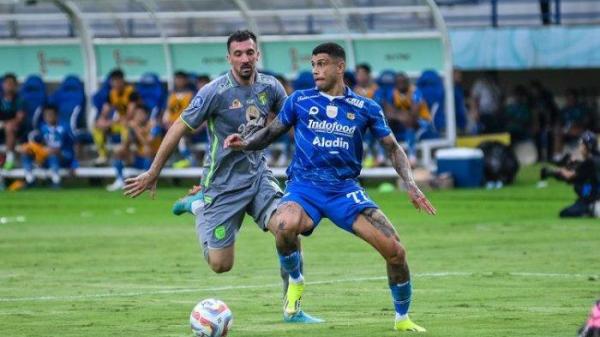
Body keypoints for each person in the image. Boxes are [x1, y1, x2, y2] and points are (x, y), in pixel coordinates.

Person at [224, 42, 436, 331]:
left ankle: (402, 318)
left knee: (395, 251)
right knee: (284, 226)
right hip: (304, 187)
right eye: (313, 64)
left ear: (340, 67)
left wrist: (410, 184)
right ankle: (296, 282)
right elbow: (271, 133)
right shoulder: (299, 100)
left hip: (344, 191)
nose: (316, 70)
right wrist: (245, 143)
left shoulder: (366, 107)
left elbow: (393, 148)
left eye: (322, 63)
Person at [121, 30, 320, 323]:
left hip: (258, 176)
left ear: (257, 55)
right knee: (220, 265)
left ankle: (293, 307)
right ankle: (198, 205)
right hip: (222, 185)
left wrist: (312, 159)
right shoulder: (214, 92)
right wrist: (154, 172)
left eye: (249, 53)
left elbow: (292, 123)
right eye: (238, 54)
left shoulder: (271, 87)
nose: (245, 59)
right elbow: (178, 127)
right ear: (229, 58)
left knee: (286, 227)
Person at [540, 131, 600, 218]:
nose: (580, 147)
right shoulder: (596, 158)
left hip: (591, 199)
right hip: (595, 194)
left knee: (564, 213)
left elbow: (569, 176)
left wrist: (552, 172)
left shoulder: (589, 162)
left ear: (586, 146)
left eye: (581, 144)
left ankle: (591, 209)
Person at [18, 105, 74, 188]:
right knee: (25, 154)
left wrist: (73, 163)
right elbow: (38, 144)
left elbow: (71, 147)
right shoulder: (41, 128)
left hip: (62, 156)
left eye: (51, 115)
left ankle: (56, 181)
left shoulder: (65, 128)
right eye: (46, 115)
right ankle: (30, 180)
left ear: (57, 115)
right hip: (45, 156)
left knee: (52, 155)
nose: (48, 117)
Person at [107, 105, 159, 191]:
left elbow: (147, 143)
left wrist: (136, 129)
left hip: (154, 162)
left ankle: (147, 181)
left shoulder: (153, 125)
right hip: (138, 159)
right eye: (136, 114)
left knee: (147, 150)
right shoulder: (133, 126)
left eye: (141, 114)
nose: (139, 116)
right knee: (119, 151)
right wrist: (127, 131)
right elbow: (126, 145)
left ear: (146, 115)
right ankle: (120, 180)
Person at [92, 69, 138, 165]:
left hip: (134, 122)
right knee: (97, 126)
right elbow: (105, 111)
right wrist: (101, 120)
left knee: (127, 126)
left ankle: (124, 154)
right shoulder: (112, 93)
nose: (116, 84)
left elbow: (130, 114)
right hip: (120, 123)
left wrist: (112, 121)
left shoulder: (131, 92)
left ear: (122, 81)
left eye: (118, 81)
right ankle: (103, 155)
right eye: (113, 81)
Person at [162, 71, 197, 169]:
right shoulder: (171, 93)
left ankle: (190, 159)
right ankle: (173, 161)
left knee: (180, 139)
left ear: (185, 80)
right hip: (171, 125)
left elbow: (194, 112)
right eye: (177, 79)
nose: (179, 81)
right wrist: (166, 123)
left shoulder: (191, 94)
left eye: (181, 79)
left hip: (186, 125)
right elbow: (166, 111)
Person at [0, 73, 25, 170]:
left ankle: (10, 159)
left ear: (15, 85)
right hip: (1, 126)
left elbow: (20, 118)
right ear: (2, 85)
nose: (9, 85)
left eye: (11, 83)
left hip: (16, 128)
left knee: (9, 127)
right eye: (6, 83)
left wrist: (5, 124)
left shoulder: (19, 100)